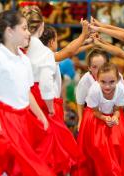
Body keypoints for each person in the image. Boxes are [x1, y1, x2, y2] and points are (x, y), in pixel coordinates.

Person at [0, 10, 55, 176]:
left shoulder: (24, 60)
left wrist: (40, 115)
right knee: (17, 165)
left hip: (22, 120)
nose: (28, 33)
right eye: (24, 28)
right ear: (10, 31)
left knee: (18, 166)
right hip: (4, 119)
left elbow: (28, 92)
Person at [23, 7, 88, 175]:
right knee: (49, 146)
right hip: (43, 100)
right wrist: (51, 107)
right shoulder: (44, 53)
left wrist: (85, 40)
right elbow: (45, 83)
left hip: (26, 98)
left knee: (31, 143)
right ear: (42, 26)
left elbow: (66, 53)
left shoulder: (22, 49)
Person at [74, 62, 124, 176]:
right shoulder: (94, 90)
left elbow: (117, 109)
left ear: (118, 80)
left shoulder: (121, 89)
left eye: (111, 82)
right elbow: (95, 111)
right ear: (97, 79)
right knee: (97, 148)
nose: (107, 86)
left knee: (119, 146)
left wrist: (115, 117)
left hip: (112, 116)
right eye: (103, 82)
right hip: (96, 118)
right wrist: (105, 118)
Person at [75, 48, 109, 130]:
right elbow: (80, 102)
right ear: (89, 67)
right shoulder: (86, 79)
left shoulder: (115, 76)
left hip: (111, 114)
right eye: (94, 67)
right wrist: (80, 119)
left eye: (102, 66)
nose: (99, 70)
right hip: (93, 116)